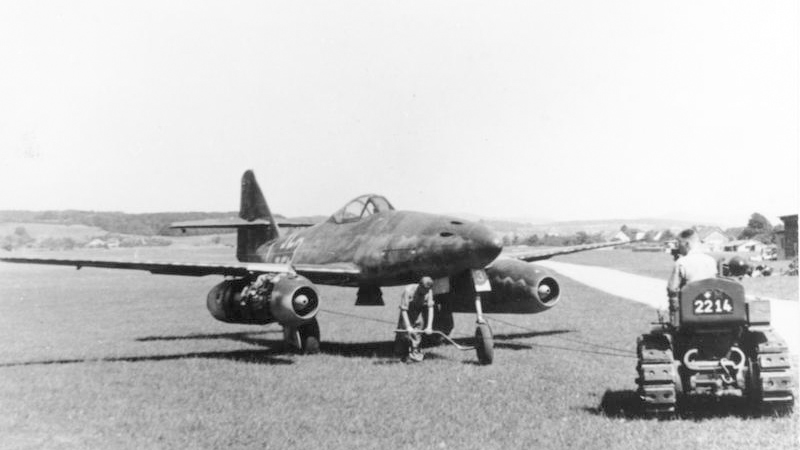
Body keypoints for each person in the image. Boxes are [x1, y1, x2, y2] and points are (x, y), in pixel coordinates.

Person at [666, 229, 718, 321]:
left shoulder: (681, 263)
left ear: (687, 244)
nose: (678, 247)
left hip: (690, 309)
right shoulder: (711, 260)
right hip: (710, 306)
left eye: (679, 243)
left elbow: (672, 288)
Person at [395, 276, 435, 362]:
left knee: (417, 333)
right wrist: (408, 326)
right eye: (424, 291)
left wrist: (429, 326)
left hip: (418, 311)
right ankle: (403, 354)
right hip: (407, 312)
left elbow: (430, 308)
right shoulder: (408, 290)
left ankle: (415, 354)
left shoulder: (428, 290)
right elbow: (403, 310)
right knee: (404, 335)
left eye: (427, 291)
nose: (426, 293)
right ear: (419, 286)